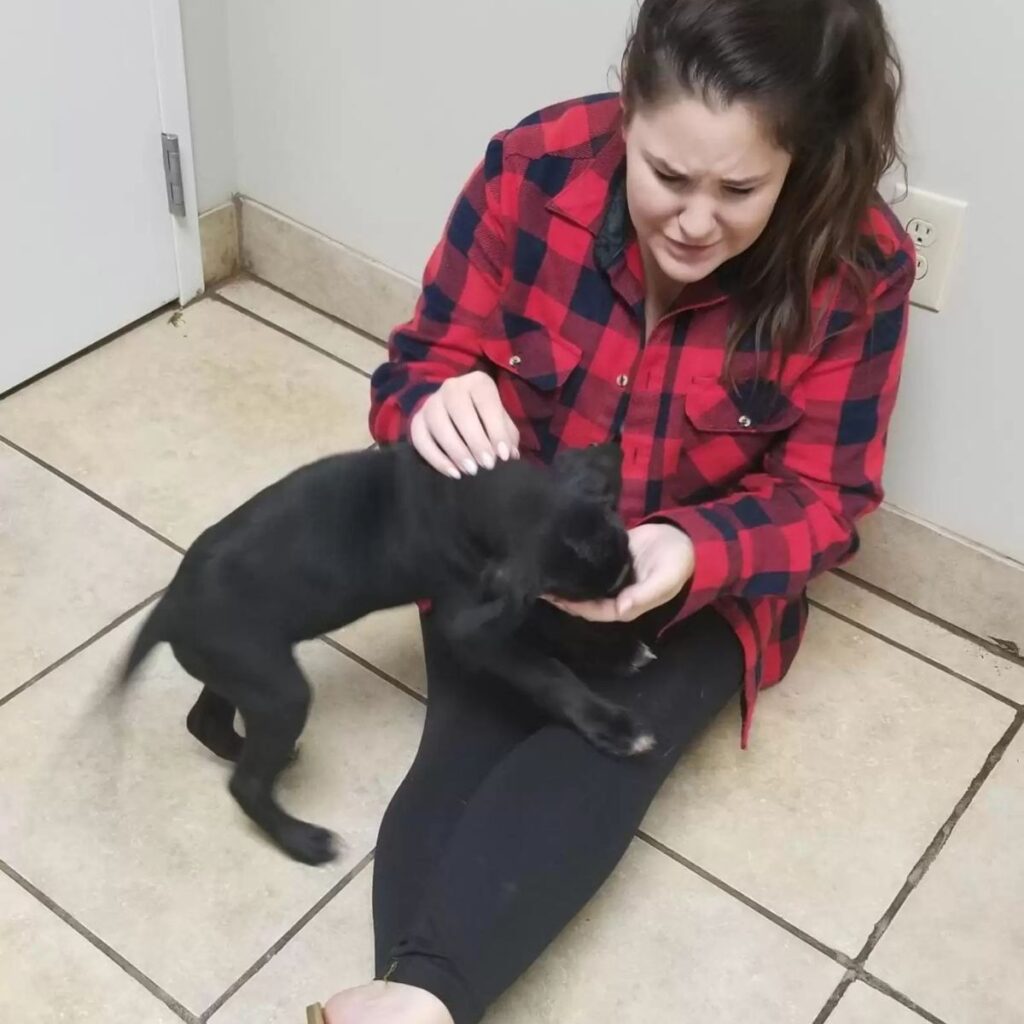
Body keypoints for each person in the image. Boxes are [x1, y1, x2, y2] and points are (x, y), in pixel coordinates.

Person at [324, 0, 914, 1021]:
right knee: (465, 741)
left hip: (699, 593)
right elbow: (409, 372)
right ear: (626, 112)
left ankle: (410, 1002)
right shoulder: (532, 167)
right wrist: (432, 403)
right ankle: (418, 1004)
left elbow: (827, 499)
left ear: (802, 161)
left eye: (739, 189)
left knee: (607, 742)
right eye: (664, 175)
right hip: (510, 551)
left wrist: (689, 550)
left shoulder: (860, 265)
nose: (693, 221)